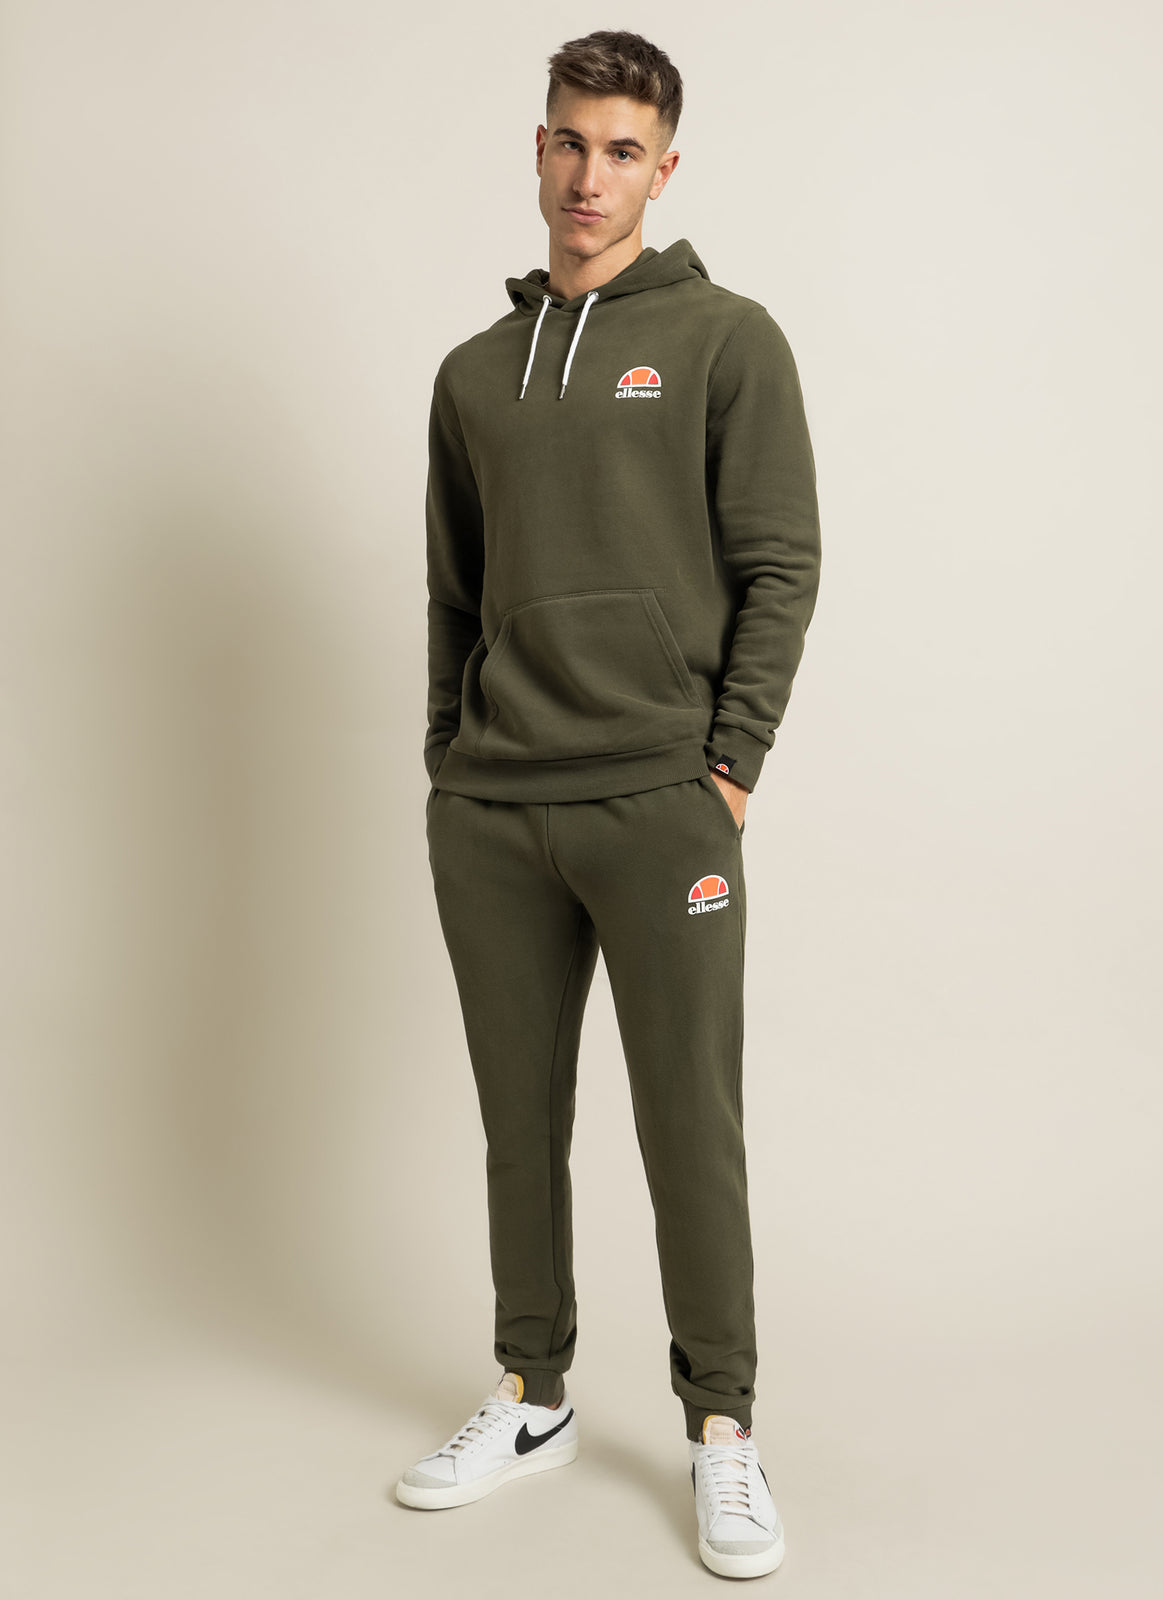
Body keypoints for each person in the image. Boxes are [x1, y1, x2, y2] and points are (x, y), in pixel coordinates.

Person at [394, 28, 821, 1582]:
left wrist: (730, 763)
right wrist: (449, 760)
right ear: (539, 148)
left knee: (687, 1124)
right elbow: (455, 590)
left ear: (664, 168)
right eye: (570, 142)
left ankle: (724, 1430)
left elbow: (779, 560)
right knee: (520, 1124)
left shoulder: (725, 340)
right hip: (494, 810)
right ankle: (533, 1395)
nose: (591, 176)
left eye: (623, 150)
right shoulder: (473, 375)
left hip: (659, 803)